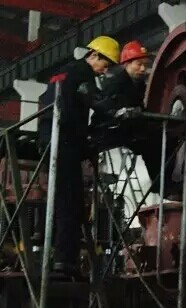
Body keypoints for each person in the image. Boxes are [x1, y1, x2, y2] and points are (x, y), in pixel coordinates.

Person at [38, 36, 120, 277]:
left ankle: (50, 249)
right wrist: (117, 111)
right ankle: (65, 262)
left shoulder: (63, 72)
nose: (104, 70)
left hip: (48, 140)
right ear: (94, 55)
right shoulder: (83, 73)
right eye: (104, 64)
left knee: (60, 198)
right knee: (70, 203)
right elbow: (93, 99)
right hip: (65, 143)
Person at [90, 40, 181, 197]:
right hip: (110, 130)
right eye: (139, 64)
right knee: (153, 142)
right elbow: (106, 108)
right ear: (126, 64)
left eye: (145, 65)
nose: (143, 69)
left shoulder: (138, 85)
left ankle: (166, 182)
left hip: (128, 128)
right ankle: (161, 185)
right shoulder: (116, 83)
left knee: (167, 137)